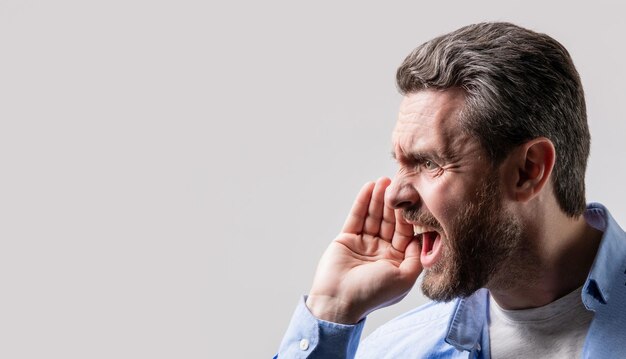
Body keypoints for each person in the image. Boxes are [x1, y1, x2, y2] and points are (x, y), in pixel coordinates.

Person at [275, 22, 626, 358]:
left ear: (527, 171)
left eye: (429, 163)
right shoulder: (397, 351)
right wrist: (331, 309)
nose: (395, 195)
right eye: (400, 163)